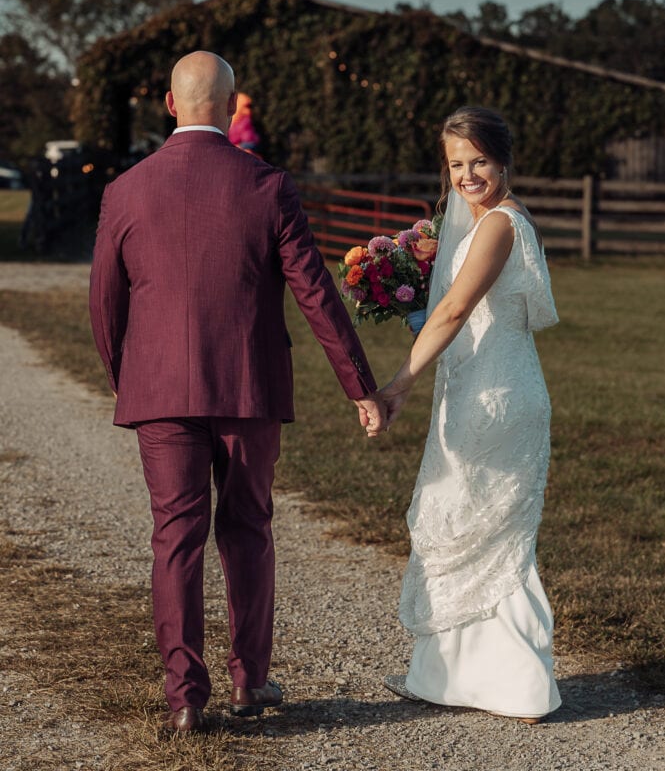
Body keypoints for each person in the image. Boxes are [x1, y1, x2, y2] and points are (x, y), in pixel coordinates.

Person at [89, 51, 386, 733]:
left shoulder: (124, 191)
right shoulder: (266, 184)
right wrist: (357, 385)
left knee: (175, 536)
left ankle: (186, 698)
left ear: (169, 105)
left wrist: (127, 377)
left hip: (159, 390)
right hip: (249, 388)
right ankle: (250, 682)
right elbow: (315, 294)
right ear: (229, 108)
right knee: (248, 528)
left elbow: (104, 306)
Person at [380, 106, 562, 723]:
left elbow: (457, 309)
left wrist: (401, 382)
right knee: (462, 525)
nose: (467, 174)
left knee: (489, 532)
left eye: (478, 160)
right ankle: (449, 677)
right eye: (456, 164)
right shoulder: (486, 222)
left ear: (503, 158)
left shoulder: (499, 225)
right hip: (478, 388)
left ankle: (521, 687)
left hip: (495, 398)